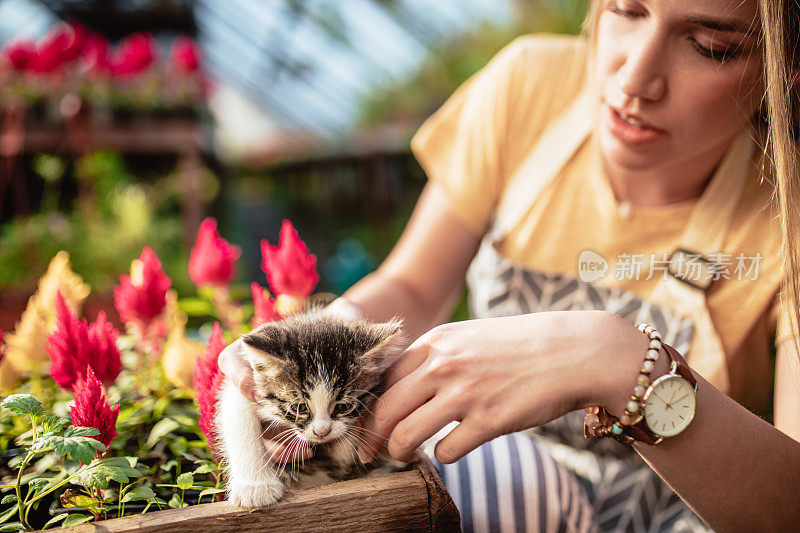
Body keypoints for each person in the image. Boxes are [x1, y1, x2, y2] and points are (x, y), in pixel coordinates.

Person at [220, 0, 800, 530]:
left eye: (711, 47)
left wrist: (617, 361)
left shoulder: (785, 211)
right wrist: (325, 348)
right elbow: (418, 287)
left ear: (787, 62)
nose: (633, 79)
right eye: (625, 10)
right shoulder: (530, 87)